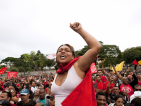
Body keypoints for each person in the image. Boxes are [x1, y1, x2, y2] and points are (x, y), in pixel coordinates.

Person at [51, 22, 101, 106]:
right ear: (57, 56)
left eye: (67, 50)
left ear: (73, 56)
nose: (63, 51)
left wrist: (80, 30)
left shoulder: (78, 66)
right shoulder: (57, 73)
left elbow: (96, 47)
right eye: (60, 50)